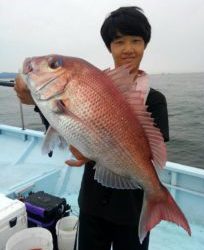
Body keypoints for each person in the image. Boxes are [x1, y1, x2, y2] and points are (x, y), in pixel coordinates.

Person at [14, 6, 169, 250]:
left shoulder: (155, 101)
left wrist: (88, 152)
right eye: (119, 42)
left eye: (136, 41)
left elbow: (151, 155)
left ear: (145, 44)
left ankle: (159, 202)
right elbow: (64, 123)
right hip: (92, 205)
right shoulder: (93, 86)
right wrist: (34, 100)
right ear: (110, 47)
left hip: (132, 210)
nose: (128, 49)